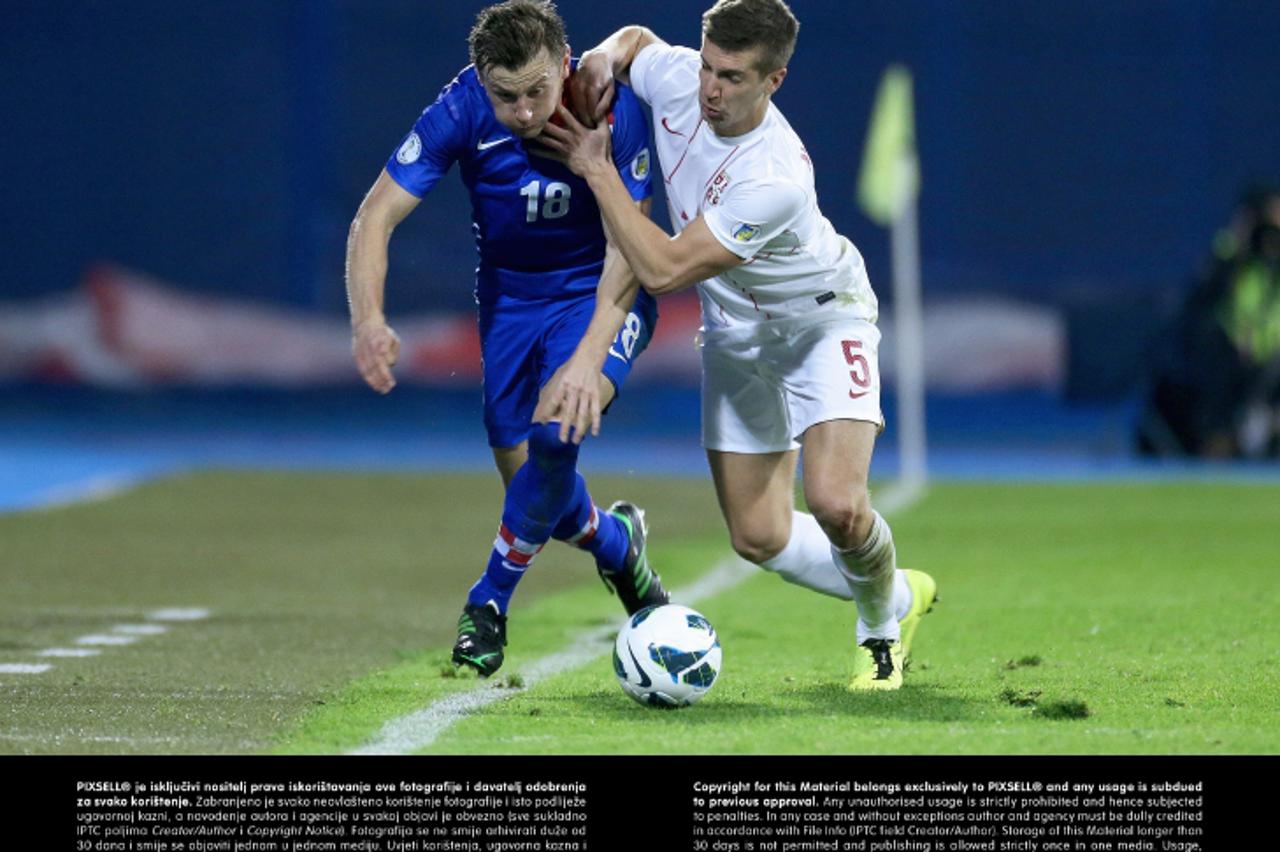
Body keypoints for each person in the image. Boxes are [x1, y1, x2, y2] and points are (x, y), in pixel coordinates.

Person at [536, 0, 935, 689]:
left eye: (733, 77)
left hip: (820, 321)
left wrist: (597, 170)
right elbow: (635, 42)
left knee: (838, 502)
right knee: (757, 536)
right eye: (709, 67)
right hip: (735, 333)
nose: (711, 89)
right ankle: (902, 593)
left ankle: (878, 632)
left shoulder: (772, 178)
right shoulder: (681, 76)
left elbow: (660, 270)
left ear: (773, 80)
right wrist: (602, 56)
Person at [345, 0, 668, 678]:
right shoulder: (460, 109)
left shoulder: (611, 106)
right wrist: (369, 320)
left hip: (602, 288)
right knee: (537, 495)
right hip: (511, 302)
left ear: (565, 64)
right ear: (479, 79)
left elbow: (630, 249)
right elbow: (375, 216)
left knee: (557, 433)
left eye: (537, 91)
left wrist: (585, 361)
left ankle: (486, 605)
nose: (524, 111)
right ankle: (618, 544)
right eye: (506, 96)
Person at [1137, 185, 1280, 458]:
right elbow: (1201, 301)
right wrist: (1239, 243)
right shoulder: (1230, 252)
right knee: (1214, 358)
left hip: (1272, 365)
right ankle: (1218, 446)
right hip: (1228, 364)